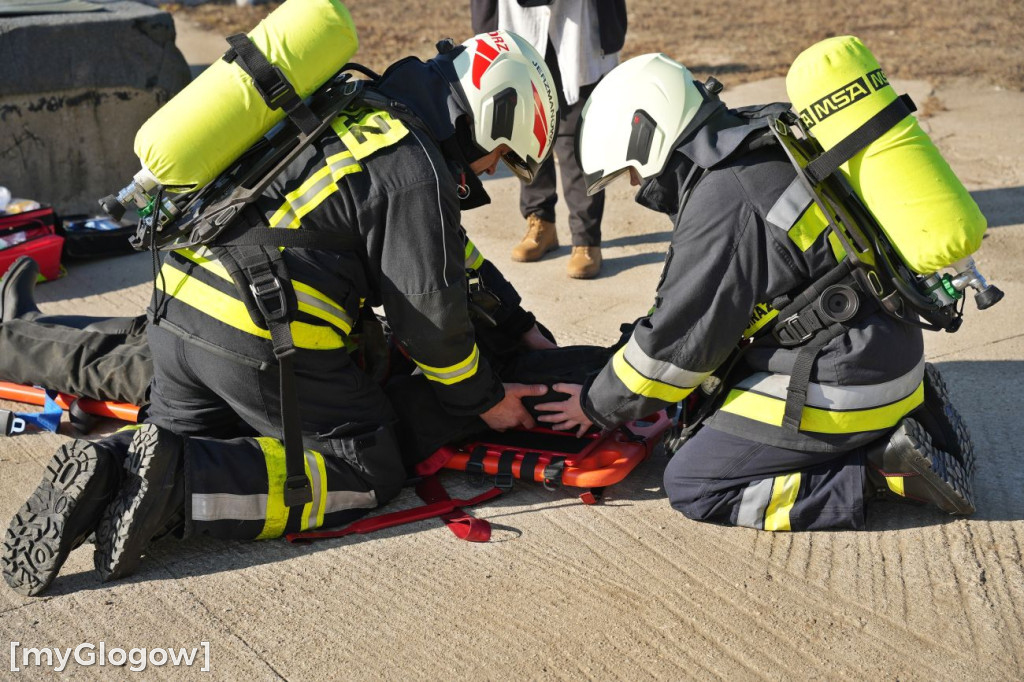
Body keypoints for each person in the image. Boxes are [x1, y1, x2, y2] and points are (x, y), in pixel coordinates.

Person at [2, 30, 563, 597]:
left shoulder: (352, 107)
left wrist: (517, 323)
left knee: (184, 437)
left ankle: (107, 463)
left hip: (178, 309)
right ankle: (180, 492)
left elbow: (452, 258)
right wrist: (486, 402)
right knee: (362, 468)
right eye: (505, 155)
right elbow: (432, 325)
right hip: (258, 337)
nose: (492, 170)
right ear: (494, 115)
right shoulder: (416, 167)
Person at [535, 53, 977, 531]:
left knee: (697, 482)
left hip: (852, 377)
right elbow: (706, 304)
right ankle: (909, 416)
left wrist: (595, 405)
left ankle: (877, 469)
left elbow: (676, 349)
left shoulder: (724, 200)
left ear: (647, 137)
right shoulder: (757, 135)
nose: (639, 185)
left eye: (633, 171)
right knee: (705, 408)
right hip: (886, 345)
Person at [472, 0, 627, 279]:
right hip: (517, 20)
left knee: (576, 138)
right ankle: (540, 222)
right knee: (526, 127)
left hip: (576, 22)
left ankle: (586, 239)